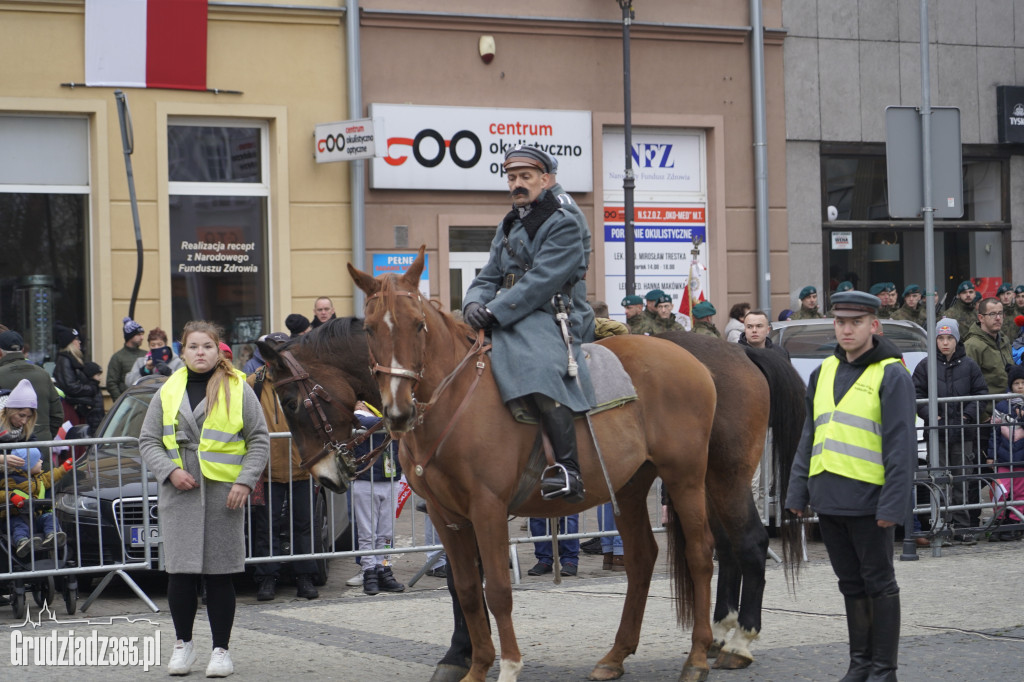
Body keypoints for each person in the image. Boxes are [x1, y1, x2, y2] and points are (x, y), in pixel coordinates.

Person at [786, 290, 915, 682]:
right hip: (829, 500)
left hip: (871, 502)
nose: (846, 329)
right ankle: (860, 665)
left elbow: (901, 446)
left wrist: (893, 507)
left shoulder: (891, 372)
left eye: (855, 322)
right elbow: (809, 436)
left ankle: (883, 670)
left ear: (873, 326)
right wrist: (797, 492)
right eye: (840, 322)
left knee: (879, 584)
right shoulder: (823, 370)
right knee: (850, 585)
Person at [462, 145, 594, 503]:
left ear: (546, 180)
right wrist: (474, 303)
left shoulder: (563, 220)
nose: (517, 184)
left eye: (525, 177)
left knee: (538, 366)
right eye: (512, 177)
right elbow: (488, 273)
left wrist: (495, 312)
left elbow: (542, 280)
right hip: (513, 311)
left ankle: (568, 468)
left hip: (554, 313)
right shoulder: (513, 220)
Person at [138, 320, 270, 677]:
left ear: (218, 350)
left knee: (219, 576)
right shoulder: (166, 390)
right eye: (193, 347)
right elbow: (148, 440)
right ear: (183, 352)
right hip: (179, 493)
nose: (200, 353)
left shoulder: (238, 387)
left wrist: (244, 482)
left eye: (207, 347)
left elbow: (259, 439)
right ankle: (183, 645)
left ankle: (221, 650)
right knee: (179, 575)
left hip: (222, 495)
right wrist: (168, 471)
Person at [246, 352, 320, 602]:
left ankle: (305, 576)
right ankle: (267, 578)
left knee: (304, 524)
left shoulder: (302, 379)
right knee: (267, 526)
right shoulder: (253, 382)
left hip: (302, 465)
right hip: (267, 468)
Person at [911, 318, 988, 544]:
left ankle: (963, 526)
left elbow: (981, 393)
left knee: (962, 480)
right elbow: (916, 394)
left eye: (949, 338)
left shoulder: (970, 365)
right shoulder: (925, 366)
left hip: (963, 434)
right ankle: (941, 525)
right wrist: (929, 414)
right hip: (937, 433)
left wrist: (967, 416)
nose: (945, 343)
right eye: (941, 338)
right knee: (939, 480)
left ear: (956, 340)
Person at [351, 401, 405, 595]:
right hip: (366, 480)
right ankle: (369, 571)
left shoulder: (387, 411)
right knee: (367, 533)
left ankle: (384, 567)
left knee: (386, 533)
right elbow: (369, 421)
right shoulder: (358, 415)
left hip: (390, 479)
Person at [544, 152, 594, 343]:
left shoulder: (560, 205)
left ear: (545, 177)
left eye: (526, 176)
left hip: (565, 300)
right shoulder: (548, 203)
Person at [0, 330, 63, 440]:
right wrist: (45, 437)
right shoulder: (43, 373)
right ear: (22, 350)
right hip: (41, 446)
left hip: (8, 450)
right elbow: (57, 415)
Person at [987, 364, 1024, 542]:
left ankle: (1016, 523)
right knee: (1000, 490)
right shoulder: (1001, 406)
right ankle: (999, 520)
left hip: (1021, 460)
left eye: (1023, 383)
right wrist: (991, 455)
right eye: (1016, 383)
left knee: (1020, 492)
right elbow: (994, 434)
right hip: (1003, 458)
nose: (1020, 387)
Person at [963, 297, 1014, 420]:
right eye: (992, 314)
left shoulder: (1004, 340)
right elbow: (966, 385)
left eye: (1000, 313)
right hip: (988, 418)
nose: (998, 318)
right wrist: (983, 417)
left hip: (1009, 413)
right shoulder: (972, 345)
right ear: (981, 318)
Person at [53, 325, 104, 432]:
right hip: (71, 409)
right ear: (70, 342)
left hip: (77, 408)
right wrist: (91, 388)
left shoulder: (71, 360)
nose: (79, 342)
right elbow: (70, 386)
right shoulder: (65, 360)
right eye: (76, 339)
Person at [107, 316, 147, 401]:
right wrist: (120, 402)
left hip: (145, 400)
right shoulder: (118, 357)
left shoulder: (146, 355)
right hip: (127, 403)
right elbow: (111, 383)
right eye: (138, 334)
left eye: (142, 335)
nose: (142, 338)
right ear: (130, 336)